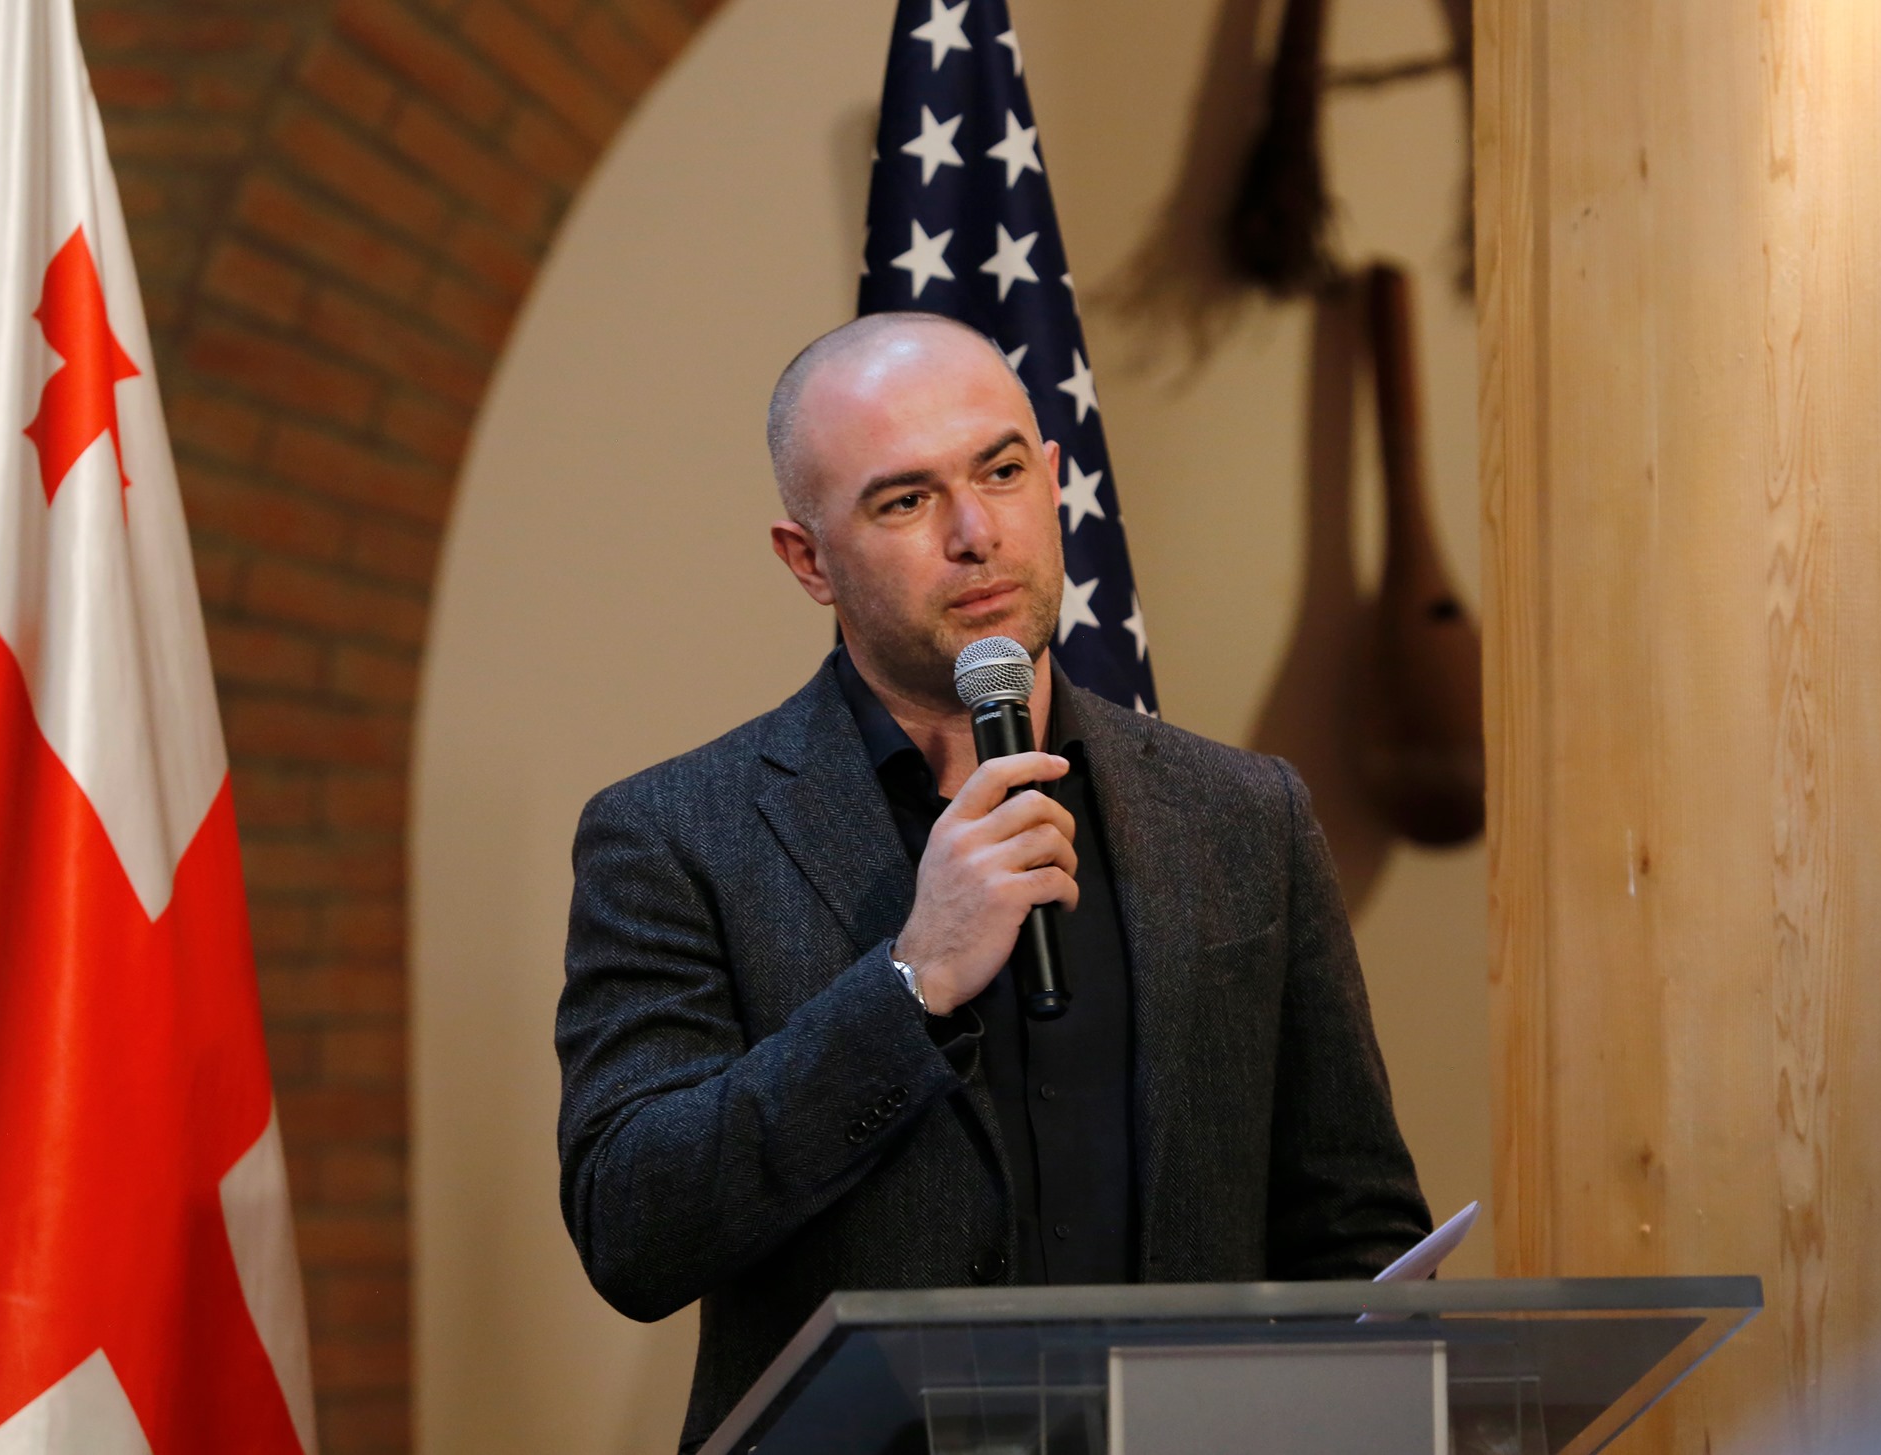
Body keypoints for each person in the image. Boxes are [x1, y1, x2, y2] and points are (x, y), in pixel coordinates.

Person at [555, 312, 1431, 1452]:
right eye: (904, 500)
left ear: (1054, 481)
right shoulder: (675, 834)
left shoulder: (1242, 815)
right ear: (808, 559)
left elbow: (1354, 1229)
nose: (974, 533)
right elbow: (634, 1229)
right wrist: (910, 980)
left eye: (1002, 472)